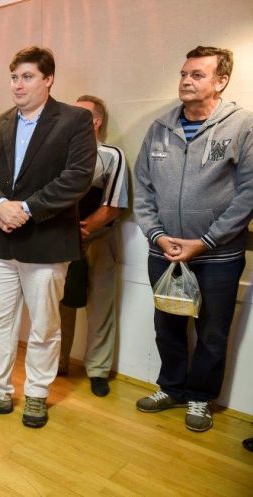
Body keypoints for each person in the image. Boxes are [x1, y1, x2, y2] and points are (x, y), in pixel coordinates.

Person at [0, 46, 96, 428]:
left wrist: (27, 209)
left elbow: (77, 178)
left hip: (47, 242)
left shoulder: (75, 120)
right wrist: (0, 205)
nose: (18, 84)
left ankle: (36, 393)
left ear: (48, 79)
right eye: (14, 77)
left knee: (45, 325)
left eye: (27, 77)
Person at [133, 46, 253, 432]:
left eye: (197, 75)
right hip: (165, 251)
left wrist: (207, 241)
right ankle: (171, 387)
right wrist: (157, 235)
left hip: (217, 256)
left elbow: (249, 193)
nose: (186, 80)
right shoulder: (159, 128)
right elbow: (142, 187)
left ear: (221, 81)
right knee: (167, 325)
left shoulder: (242, 126)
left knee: (212, 332)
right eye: (184, 74)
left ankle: (200, 396)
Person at [57, 95, 129, 397]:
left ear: (96, 121)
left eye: (81, 113)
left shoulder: (111, 155)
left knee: (100, 307)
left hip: (99, 240)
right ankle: (57, 364)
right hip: (62, 241)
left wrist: (84, 229)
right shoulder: (60, 154)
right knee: (60, 305)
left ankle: (98, 371)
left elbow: (114, 205)